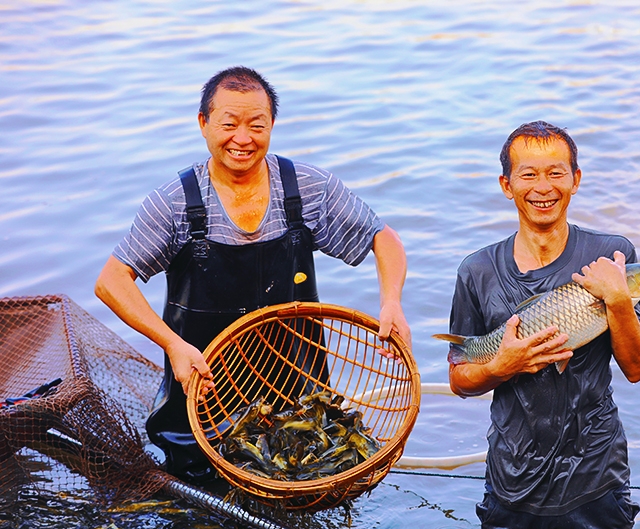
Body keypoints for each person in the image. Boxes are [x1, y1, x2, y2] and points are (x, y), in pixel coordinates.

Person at [95, 66, 411, 484]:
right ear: (203, 124)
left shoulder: (305, 190)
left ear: (272, 125)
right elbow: (111, 281)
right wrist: (172, 345)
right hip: (201, 404)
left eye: (256, 125)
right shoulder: (174, 204)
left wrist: (392, 302)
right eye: (229, 124)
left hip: (298, 403)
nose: (243, 139)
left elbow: (384, 239)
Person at [447, 121, 640, 529]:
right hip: (512, 475)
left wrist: (618, 299)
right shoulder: (477, 270)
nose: (544, 187)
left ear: (575, 180)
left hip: (597, 472)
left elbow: (637, 368)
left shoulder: (612, 256)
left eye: (556, 173)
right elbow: (459, 377)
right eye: (528, 174)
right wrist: (500, 367)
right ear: (507, 185)